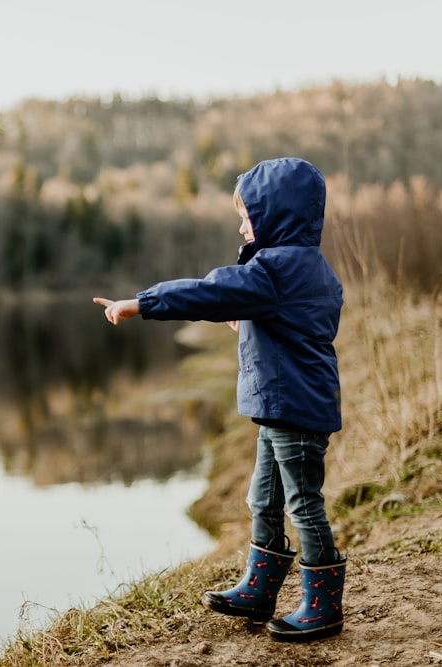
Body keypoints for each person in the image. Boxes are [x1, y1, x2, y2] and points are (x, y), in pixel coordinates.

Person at [93, 157, 346, 642]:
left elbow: (208, 293)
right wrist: (250, 319)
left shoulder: (273, 269)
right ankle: (260, 585)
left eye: (247, 216)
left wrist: (140, 304)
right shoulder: (307, 266)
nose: (241, 225)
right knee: (263, 498)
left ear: (276, 216)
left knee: (303, 503)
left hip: (293, 408)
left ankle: (323, 603)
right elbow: (293, 319)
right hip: (287, 407)